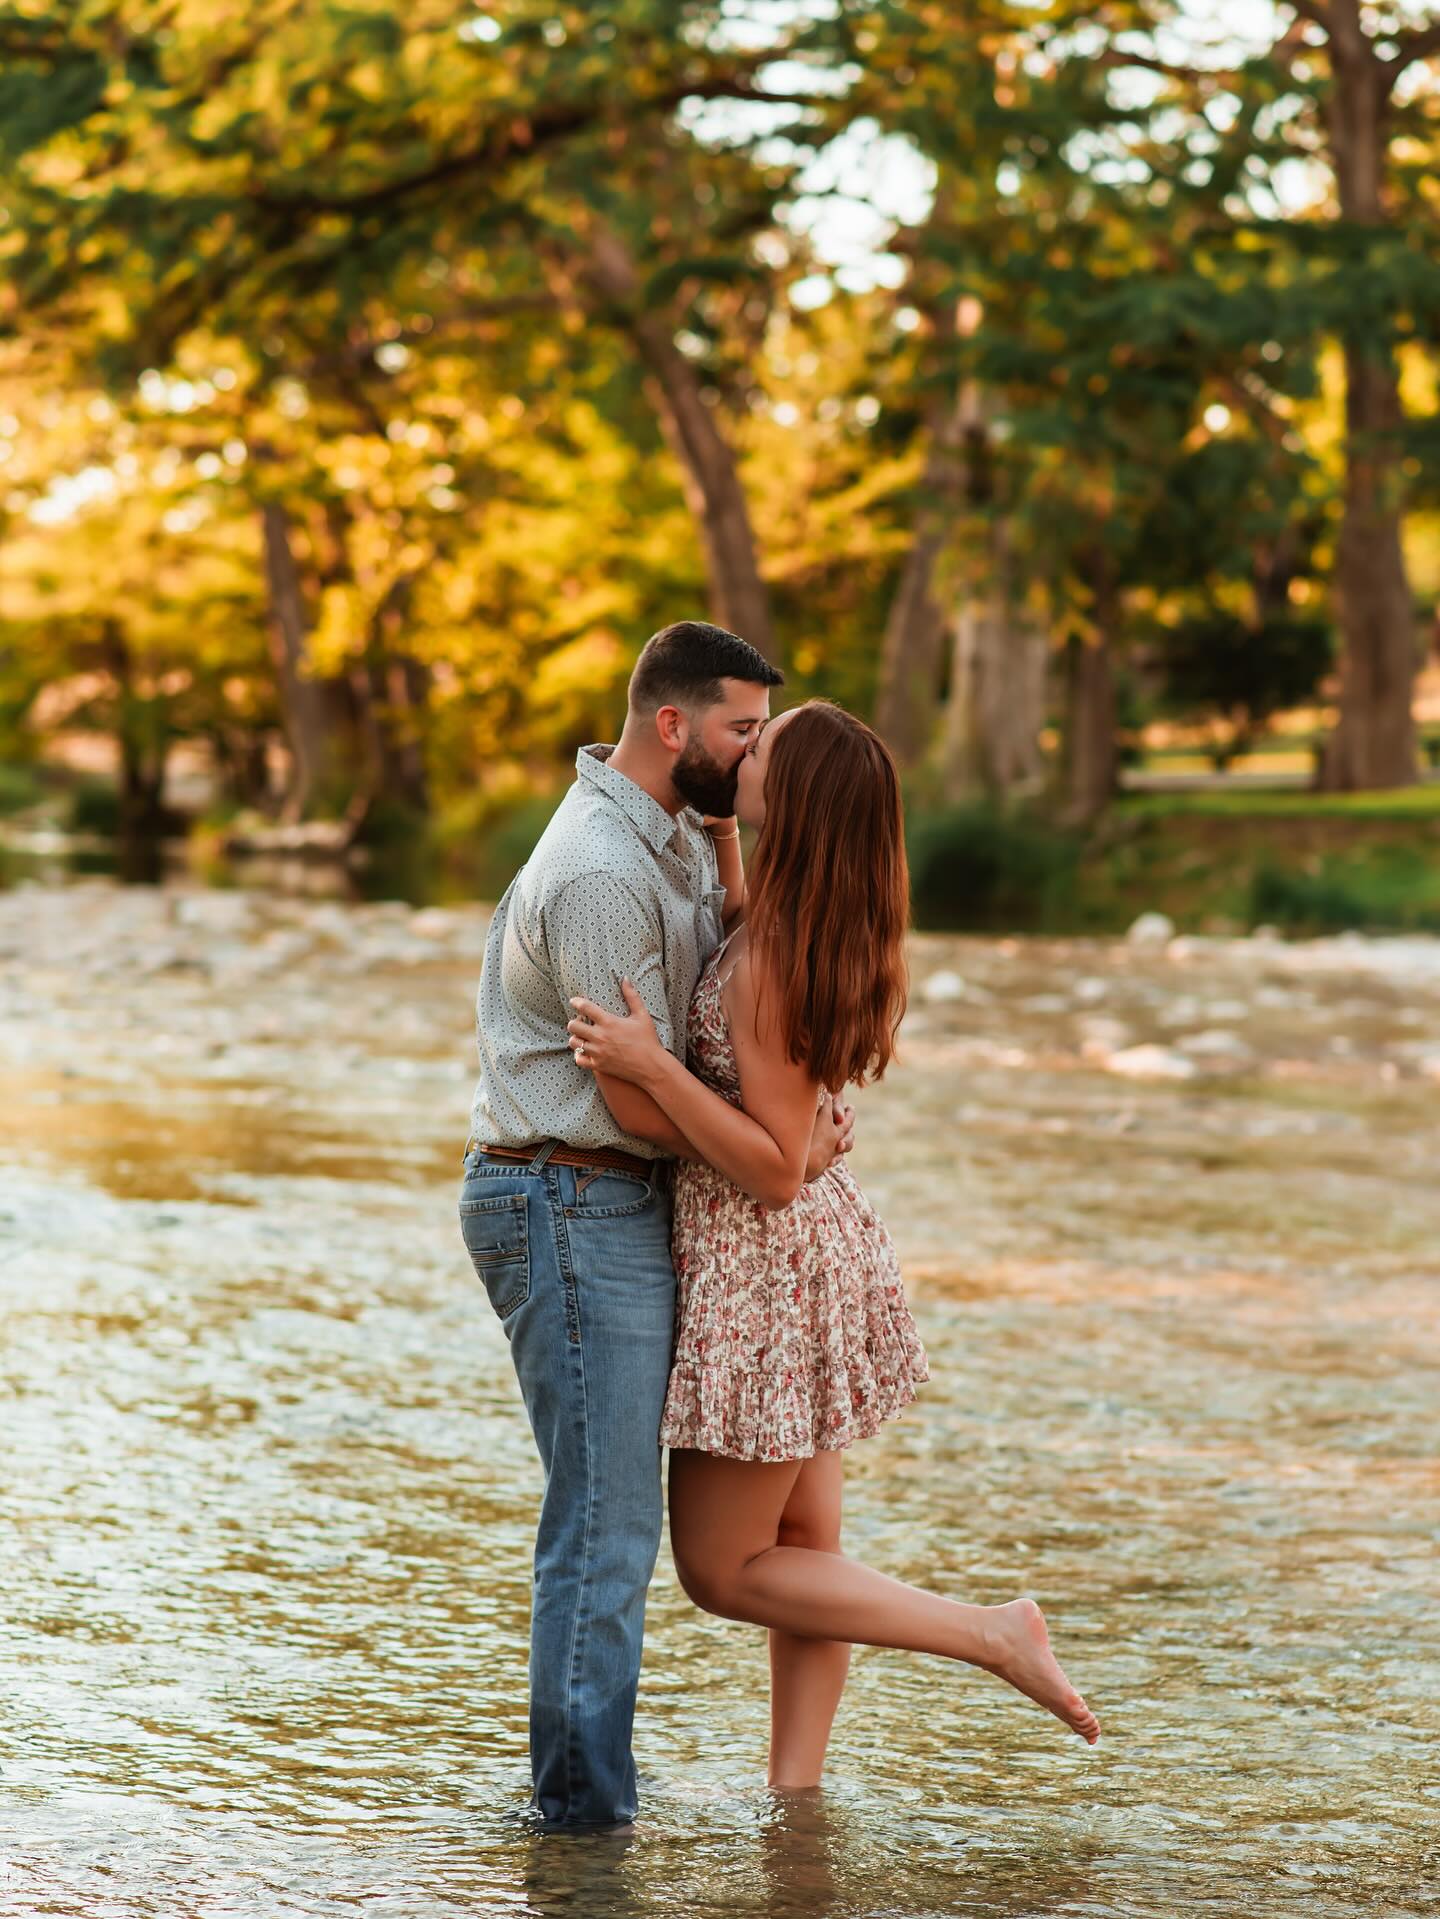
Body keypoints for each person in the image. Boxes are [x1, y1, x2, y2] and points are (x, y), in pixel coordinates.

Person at [566, 700, 1100, 1789]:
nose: (744, 750)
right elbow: (779, 1110)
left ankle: (989, 1632)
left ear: (797, 800)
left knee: (724, 1569)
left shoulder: (770, 961)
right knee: (806, 1552)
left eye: (764, 746)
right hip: (809, 1252)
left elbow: (766, 1164)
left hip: (765, 1261)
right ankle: (795, 1800)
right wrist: (722, 835)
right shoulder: (803, 927)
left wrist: (651, 1063)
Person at [459, 621, 856, 1833]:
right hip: (569, 1191)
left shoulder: (675, 834)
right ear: (672, 724)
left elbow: (720, 987)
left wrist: (777, 1138)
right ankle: (582, 1828)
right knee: (608, 1525)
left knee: (658, 1524)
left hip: (624, 1194)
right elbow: (633, 1087)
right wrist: (774, 1154)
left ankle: (639, 1804)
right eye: (741, 730)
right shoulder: (600, 868)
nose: (749, 758)